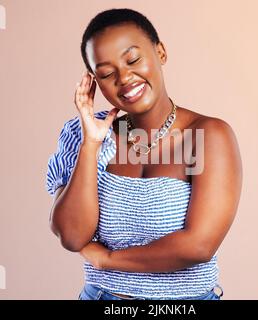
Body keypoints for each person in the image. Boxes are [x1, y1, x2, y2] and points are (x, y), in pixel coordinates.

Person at [46, 8, 242, 300]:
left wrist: (106, 259)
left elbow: (199, 245)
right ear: (95, 82)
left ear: (160, 52)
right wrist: (91, 144)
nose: (124, 78)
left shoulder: (207, 135)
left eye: (133, 59)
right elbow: (72, 236)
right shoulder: (84, 133)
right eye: (107, 73)